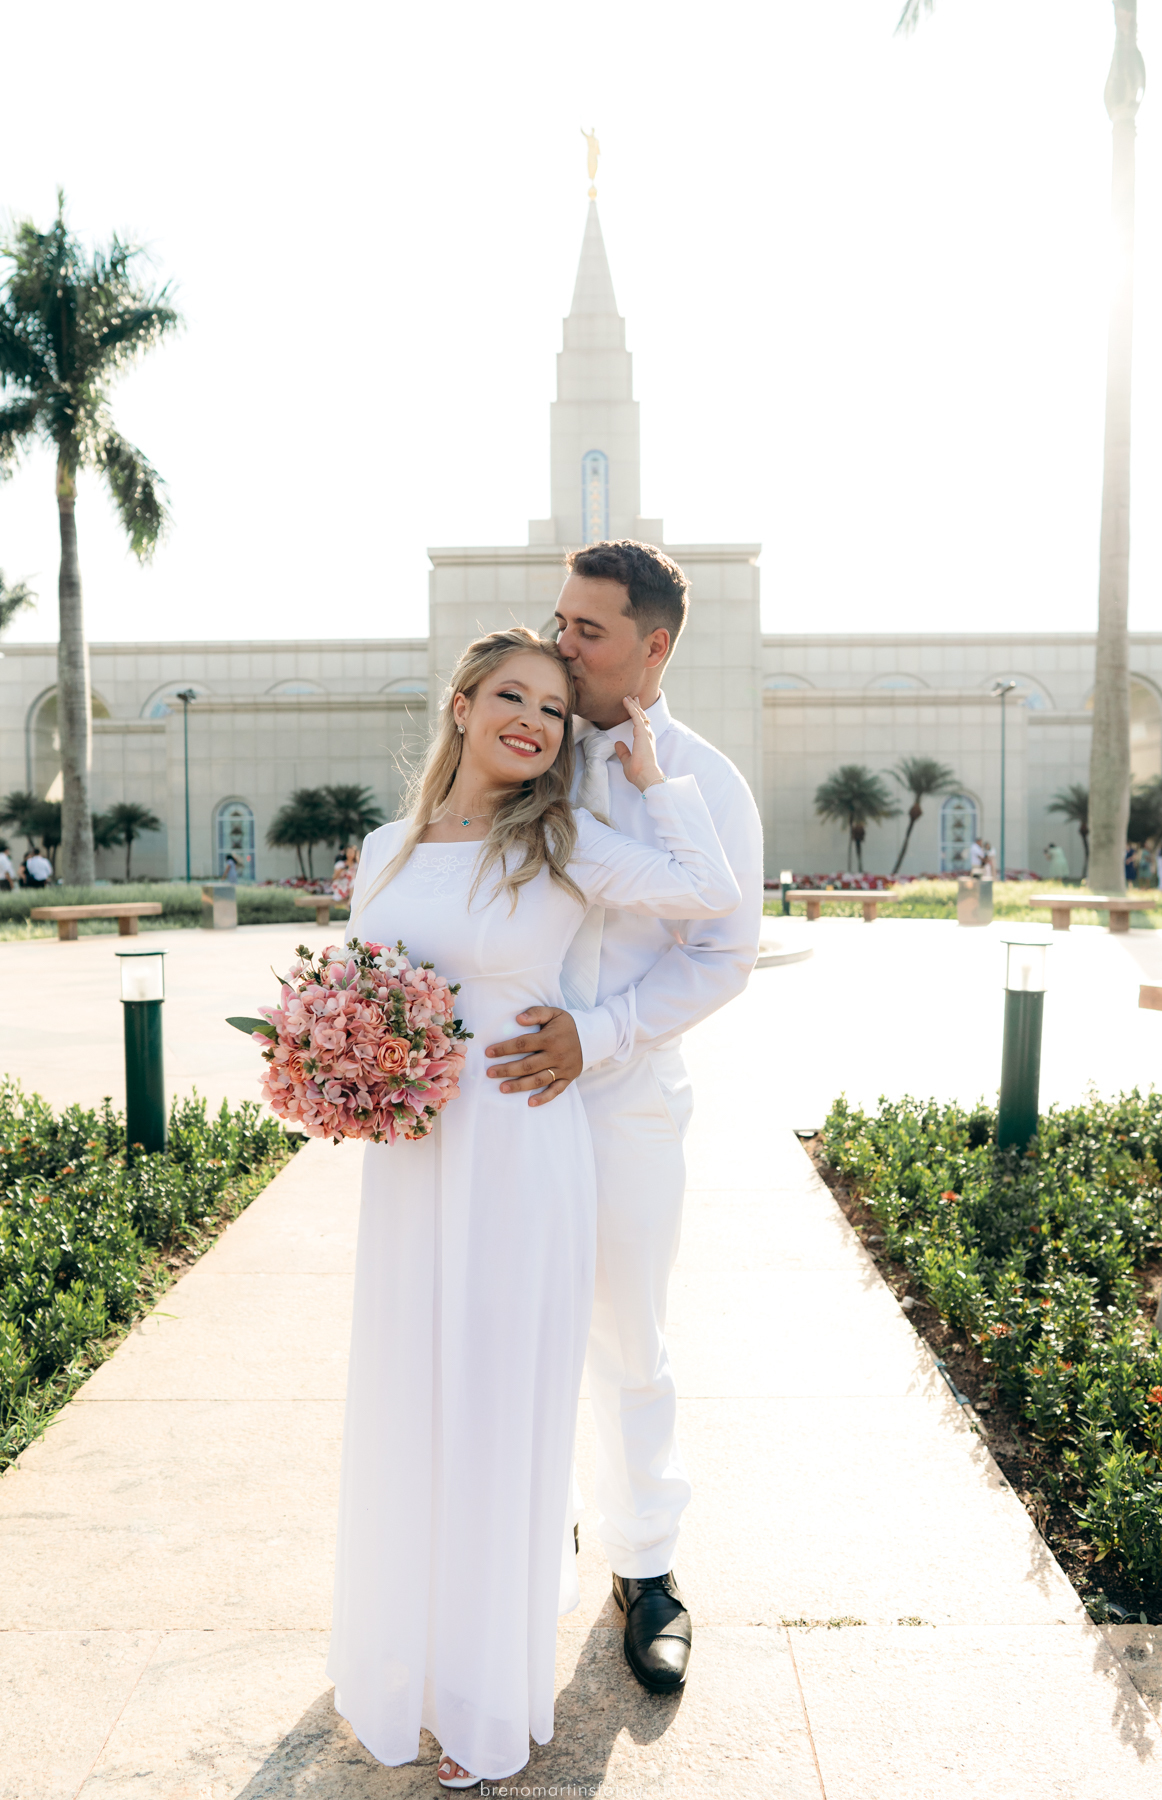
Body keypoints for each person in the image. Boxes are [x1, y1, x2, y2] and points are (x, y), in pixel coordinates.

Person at [327, 626, 739, 1788]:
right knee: (413, 1403)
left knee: (502, 1413)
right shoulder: (384, 848)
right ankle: (401, 1669)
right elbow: (365, 986)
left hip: (520, 1148)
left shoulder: (562, 841)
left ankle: (482, 1698)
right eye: (513, 696)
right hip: (411, 1160)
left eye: (555, 709)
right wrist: (336, 1059)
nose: (536, 721)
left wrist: (654, 775)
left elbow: (712, 895)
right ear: (460, 706)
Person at [482, 541, 763, 1698]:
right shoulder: (523, 753)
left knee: (627, 1342)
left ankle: (646, 1571)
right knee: (505, 1331)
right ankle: (513, 1558)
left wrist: (595, 1040)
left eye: (587, 631)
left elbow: (726, 953)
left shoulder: (707, 783)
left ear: (652, 646)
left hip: (627, 1106)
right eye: (557, 620)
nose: (560, 645)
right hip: (501, 1103)